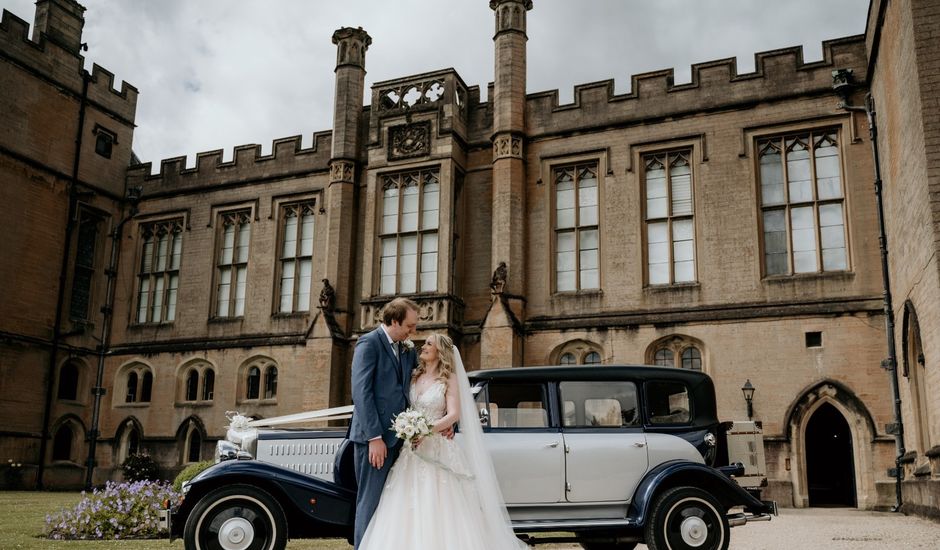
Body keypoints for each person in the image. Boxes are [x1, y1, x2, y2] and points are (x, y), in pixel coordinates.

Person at [358, 333, 529, 550]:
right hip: (412, 451)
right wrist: (408, 428)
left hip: (438, 447)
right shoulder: (413, 376)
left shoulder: (449, 379)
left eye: (429, 344)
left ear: (440, 352)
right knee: (406, 502)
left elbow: (454, 413)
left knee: (441, 503)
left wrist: (426, 430)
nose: (424, 346)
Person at [348, 297, 419, 550]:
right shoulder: (369, 343)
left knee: (393, 501)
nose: (413, 331)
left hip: (401, 439)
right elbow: (361, 393)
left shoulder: (406, 348)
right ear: (395, 321)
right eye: (410, 326)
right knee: (370, 500)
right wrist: (374, 438)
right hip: (374, 441)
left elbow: (413, 387)